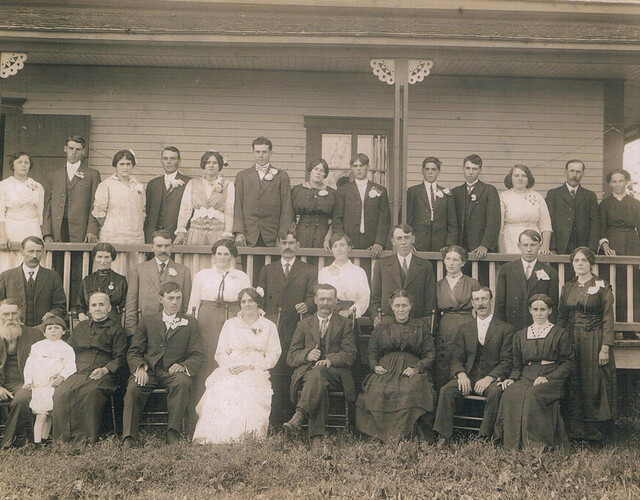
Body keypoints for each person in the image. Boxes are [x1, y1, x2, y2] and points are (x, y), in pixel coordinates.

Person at [192, 287, 281, 444]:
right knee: (221, 388)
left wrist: (251, 366)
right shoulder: (230, 324)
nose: (247, 304)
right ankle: (216, 437)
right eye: (243, 301)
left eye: (250, 301)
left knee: (247, 390)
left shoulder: (268, 326)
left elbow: (274, 354)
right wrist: (230, 367)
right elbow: (220, 352)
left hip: (255, 369)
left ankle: (244, 437)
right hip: (231, 367)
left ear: (257, 303)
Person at [122, 282, 204, 448]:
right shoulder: (147, 321)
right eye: (170, 298)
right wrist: (140, 368)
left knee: (181, 383)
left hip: (173, 373)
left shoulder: (190, 323)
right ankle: (129, 437)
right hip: (150, 371)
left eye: (178, 298)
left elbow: (197, 354)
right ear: (161, 300)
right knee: (133, 387)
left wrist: (183, 365)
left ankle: (172, 433)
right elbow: (134, 350)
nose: (175, 302)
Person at [433, 287, 514, 443]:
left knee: (495, 393)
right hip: (469, 377)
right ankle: (443, 436)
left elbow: (507, 361)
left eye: (484, 299)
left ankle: (484, 436)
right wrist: (461, 374)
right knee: (446, 390)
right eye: (476, 300)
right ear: (472, 303)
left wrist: (490, 378)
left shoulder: (505, 329)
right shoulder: (464, 329)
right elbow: (456, 358)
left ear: (492, 302)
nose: (480, 304)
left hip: (491, 378)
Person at [494, 294, 574, 450]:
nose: (539, 313)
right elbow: (517, 365)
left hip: (552, 377)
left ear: (549, 311)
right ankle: (511, 444)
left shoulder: (560, 333)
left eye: (543, 309)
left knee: (532, 394)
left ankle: (535, 445)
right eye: (535, 309)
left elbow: (567, 363)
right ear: (530, 310)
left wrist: (548, 377)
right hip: (527, 375)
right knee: (509, 393)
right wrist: (512, 379)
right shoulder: (520, 334)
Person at [187, 239, 251, 428]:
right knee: (207, 359)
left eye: (226, 254)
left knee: (228, 358)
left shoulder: (241, 276)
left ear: (232, 256)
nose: (222, 257)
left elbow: (246, 301)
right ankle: (200, 414)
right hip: (207, 317)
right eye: (219, 253)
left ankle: (228, 415)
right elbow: (194, 301)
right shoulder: (202, 275)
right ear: (214, 255)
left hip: (232, 315)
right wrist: (193, 322)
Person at [356, 290, 436, 442]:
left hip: (410, 368)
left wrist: (417, 368)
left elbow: (430, 354)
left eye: (404, 305)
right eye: (397, 305)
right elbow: (372, 352)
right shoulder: (382, 327)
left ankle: (407, 434)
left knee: (412, 389)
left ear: (410, 306)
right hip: (386, 368)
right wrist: (374, 366)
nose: (401, 309)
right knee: (377, 390)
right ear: (392, 307)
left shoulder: (420, 327)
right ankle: (378, 434)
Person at [257, 230, 316, 428]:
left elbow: (312, 297)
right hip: (273, 327)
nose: (288, 246)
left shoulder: (308, 270)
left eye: (292, 242)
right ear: (278, 245)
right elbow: (261, 300)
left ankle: (291, 417)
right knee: (274, 371)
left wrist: (307, 305)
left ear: (298, 245)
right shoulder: (267, 270)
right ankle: (273, 419)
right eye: (284, 242)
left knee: (292, 370)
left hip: (296, 328)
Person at [283, 284, 357, 439]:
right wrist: (307, 355)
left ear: (335, 301)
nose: (325, 303)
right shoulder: (303, 324)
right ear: (315, 300)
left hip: (335, 374)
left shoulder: (344, 324)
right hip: (308, 374)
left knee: (319, 372)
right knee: (317, 378)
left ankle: (300, 414)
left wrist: (330, 360)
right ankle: (317, 438)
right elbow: (291, 356)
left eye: (329, 299)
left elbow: (350, 354)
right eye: (322, 299)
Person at [557, 247, 616, 440]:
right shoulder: (567, 287)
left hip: (594, 338)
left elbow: (607, 317)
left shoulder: (601, 285)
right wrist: (559, 343)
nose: (580, 264)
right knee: (574, 379)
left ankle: (595, 431)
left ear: (591, 263)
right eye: (576, 260)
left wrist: (605, 347)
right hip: (572, 339)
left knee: (593, 381)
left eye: (583, 260)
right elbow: (561, 317)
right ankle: (574, 430)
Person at [53, 292, 127, 443]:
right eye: (94, 305)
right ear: (89, 309)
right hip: (77, 371)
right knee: (62, 392)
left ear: (109, 307)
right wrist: (61, 371)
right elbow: (68, 351)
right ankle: (63, 440)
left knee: (90, 392)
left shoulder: (116, 329)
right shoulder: (81, 327)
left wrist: (105, 369)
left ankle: (85, 440)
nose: (98, 308)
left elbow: (121, 357)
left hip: (104, 373)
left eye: (101, 304)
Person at [42, 136, 101, 304]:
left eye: (77, 149)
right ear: (65, 149)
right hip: (58, 228)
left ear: (83, 152)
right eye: (71, 148)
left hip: (81, 230)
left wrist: (92, 230)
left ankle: (77, 308)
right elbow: (47, 206)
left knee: (80, 270)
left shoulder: (92, 174)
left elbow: (95, 205)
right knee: (58, 269)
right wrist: (47, 233)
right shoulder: (55, 175)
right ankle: (60, 308)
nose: (74, 152)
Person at [125, 230, 191, 336]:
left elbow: (186, 304)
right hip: (145, 328)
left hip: (173, 330)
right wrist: (132, 332)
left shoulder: (183, 271)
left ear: (172, 247)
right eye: (159, 246)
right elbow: (131, 303)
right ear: (152, 247)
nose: (163, 250)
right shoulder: (139, 269)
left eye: (167, 246)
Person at [433, 245, 481, 391]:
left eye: (455, 259)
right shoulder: (439, 285)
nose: (451, 263)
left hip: (467, 324)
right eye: (448, 259)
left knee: (465, 359)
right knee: (444, 361)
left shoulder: (472, 283)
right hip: (445, 325)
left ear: (463, 262)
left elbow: (480, 308)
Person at [368, 224, 436, 327]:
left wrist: (426, 322)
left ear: (413, 239)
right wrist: (375, 316)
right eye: (399, 238)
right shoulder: (382, 264)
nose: (403, 242)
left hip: (416, 323)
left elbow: (430, 300)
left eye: (407, 238)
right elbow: (375, 297)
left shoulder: (425, 265)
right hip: (388, 323)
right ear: (393, 241)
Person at [23, 315, 76, 445]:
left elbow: (71, 366)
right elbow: (29, 365)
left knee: (50, 414)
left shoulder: (66, 348)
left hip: (53, 385)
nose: (53, 331)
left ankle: (44, 439)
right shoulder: (37, 346)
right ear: (44, 332)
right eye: (49, 328)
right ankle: (37, 442)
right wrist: (28, 381)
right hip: (39, 385)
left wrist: (61, 377)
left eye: (57, 328)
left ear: (63, 331)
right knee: (41, 415)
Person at [233, 136, 294, 248]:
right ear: (253, 153)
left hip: (272, 235)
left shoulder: (281, 176)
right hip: (249, 234)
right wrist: (239, 232)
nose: (260, 155)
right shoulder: (242, 176)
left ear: (271, 153)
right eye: (257, 152)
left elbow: (287, 207)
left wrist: (283, 235)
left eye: (264, 152)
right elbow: (237, 205)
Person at [495, 230, 559, 332]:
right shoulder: (506, 270)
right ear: (519, 246)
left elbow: (553, 305)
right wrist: (500, 330)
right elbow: (500, 303)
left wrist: (549, 331)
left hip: (539, 328)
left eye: (533, 245)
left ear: (540, 246)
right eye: (525, 245)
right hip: (512, 326)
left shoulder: (550, 272)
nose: (529, 249)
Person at [0, 299, 43, 448]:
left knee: (23, 398)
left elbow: (43, 361)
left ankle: (7, 442)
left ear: (19, 314)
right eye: (6, 314)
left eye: (13, 313)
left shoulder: (34, 335)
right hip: (1, 381)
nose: (10, 318)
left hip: (23, 382)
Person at [598, 169, 640, 321]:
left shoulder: (635, 204)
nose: (617, 184)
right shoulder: (604, 205)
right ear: (609, 184)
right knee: (613, 285)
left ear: (626, 182)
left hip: (632, 247)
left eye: (621, 180)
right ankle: (613, 324)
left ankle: (630, 325)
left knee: (632, 285)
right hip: (612, 246)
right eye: (614, 181)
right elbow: (601, 228)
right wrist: (606, 248)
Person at [332, 153, 390, 258]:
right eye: (355, 166)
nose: (358, 169)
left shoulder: (380, 190)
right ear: (351, 168)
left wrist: (379, 242)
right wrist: (342, 240)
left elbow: (384, 219)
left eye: (361, 165)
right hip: (349, 242)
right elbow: (337, 218)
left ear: (367, 167)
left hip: (372, 243)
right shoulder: (343, 190)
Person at [0, 236, 66, 327]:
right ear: (22, 252)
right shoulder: (6, 277)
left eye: (38, 252)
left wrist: (52, 314)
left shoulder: (52, 277)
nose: (35, 256)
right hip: (14, 330)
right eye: (31, 251)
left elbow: (60, 306)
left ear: (43, 252)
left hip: (42, 331)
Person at [175, 150, 234, 246]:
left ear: (219, 165)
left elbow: (229, 211)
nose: (211, 165)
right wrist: (181, 230)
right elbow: (185, 208)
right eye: (208, 162)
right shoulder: (193, 183)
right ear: (204, 165)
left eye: (214, 163)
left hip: (218, 231)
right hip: (196, 230)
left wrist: (228, 232)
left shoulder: (227, 185)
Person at [0, 152, 45, 269]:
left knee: (31, 256)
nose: (23, 165)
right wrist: (2, 235)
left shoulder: (37, 186)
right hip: (11, 227)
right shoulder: (4, 185)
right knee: (9, 261)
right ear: (13, 165)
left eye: (26, 162)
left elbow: (41, 212)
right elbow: (0, 212)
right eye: (19, 162)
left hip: (32, 227)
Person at [451, 154, 500, 259]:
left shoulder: (489, 190)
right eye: (468, 168)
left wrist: (485, 245)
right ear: (463, 169)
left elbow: (493, 221)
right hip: (460, 248)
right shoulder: (455, 192)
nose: (470, 172)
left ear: (480, 170)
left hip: (480, 249)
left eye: (475, 169)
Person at [545, 159, 599, 254]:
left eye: (578, 172)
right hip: (560, 245)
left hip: (582, 246)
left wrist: (592, 249)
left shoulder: (590, 195)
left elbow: (594, 224)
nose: (574, 175)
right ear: (565, 172)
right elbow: (548, 221)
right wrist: (552, 247)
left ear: (583, 174)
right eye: (571, 171)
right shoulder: (553, 194)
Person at [92, 149, 145, 245]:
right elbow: (99, 211)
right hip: (113, 237)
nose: (125, 168)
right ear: (115, 165)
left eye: (128, 164)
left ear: (132, 165)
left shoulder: (138, 185)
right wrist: (112, 226)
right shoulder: (107, 185)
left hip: (135, 237)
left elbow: (142, 209)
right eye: (122, 164)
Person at [406, 156, 458, 252]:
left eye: (433, 169)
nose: (430, 172)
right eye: (427, 169)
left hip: (441, 247)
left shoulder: (446, 193)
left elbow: (452, 223)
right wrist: (409, 243)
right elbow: (406, 219)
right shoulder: (413, 191)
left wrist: (449, 244)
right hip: (418, 245)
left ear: (438, 171)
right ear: (422, 171)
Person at [498, 164, 552, 254]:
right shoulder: (503, 197)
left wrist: (545, 246)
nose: (520, 179)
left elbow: (546, 224)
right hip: (511, 241)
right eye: (516, 176)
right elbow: (500, 227)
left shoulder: (537, 196)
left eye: (524, 176)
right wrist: (502, 250)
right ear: (511, 178)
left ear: (528, 179)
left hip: (534, 240)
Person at [144, 146, 191, 243]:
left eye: (172, 159)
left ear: (179, 161)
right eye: (165, 159)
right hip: (154, 237)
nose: (168, 162)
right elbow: (148, 212)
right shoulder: (153, 184)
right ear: (161, 161)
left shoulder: (188, 182)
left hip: (175, 237)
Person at [318, 233, 370, 319]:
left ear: (349, 248)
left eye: (342, 245)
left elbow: (364, 299)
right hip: (329, 315)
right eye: (335, 246)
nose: (338, 249)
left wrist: (350, 311)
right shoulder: (324, 272)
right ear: (331, 250)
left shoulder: (359, 272)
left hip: (351, 317)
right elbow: (321, 298)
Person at [76, 242, 128, 322]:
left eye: (107, 257)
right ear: (94, 258)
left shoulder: (120, 280)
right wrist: (81, 314)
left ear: (112, 258)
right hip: (90, 322)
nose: (103, 261)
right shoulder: (87, 281)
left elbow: (124, 306)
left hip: (112, 323)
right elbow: (80, 305)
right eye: (99, 257)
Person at [291, 159, 336, 249]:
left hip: (323, 233)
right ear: (310, 171)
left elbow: (334, 218)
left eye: (322, 171)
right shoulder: (297, 190)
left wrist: (328, 238)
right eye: (316, 169)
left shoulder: (332, 193)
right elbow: (291, 216)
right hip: (302, 232)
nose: (318, 173)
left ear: (325, 175)